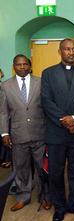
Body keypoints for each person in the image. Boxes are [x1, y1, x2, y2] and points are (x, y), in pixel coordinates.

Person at [41, 39, 74, 221]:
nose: (71, 52)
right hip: (57, 131)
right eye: (67, 49)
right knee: (55, 173)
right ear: (60, 51)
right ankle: (60, 207)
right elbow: (46, 101)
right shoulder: (48, 74)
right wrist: (65, 120)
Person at [0, 55, 51, 211]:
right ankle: (23, 197)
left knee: (42, 168)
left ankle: (45, 196)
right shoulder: (6, 85)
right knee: (21, 168)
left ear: (29, 66)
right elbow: (3, 111)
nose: (22, 67)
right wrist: (4, 133)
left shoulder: (41, 82)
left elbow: (48, 107)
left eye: (25, 64)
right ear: (13, 67)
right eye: (18, 65)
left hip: (39, 133)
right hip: (17, 134)